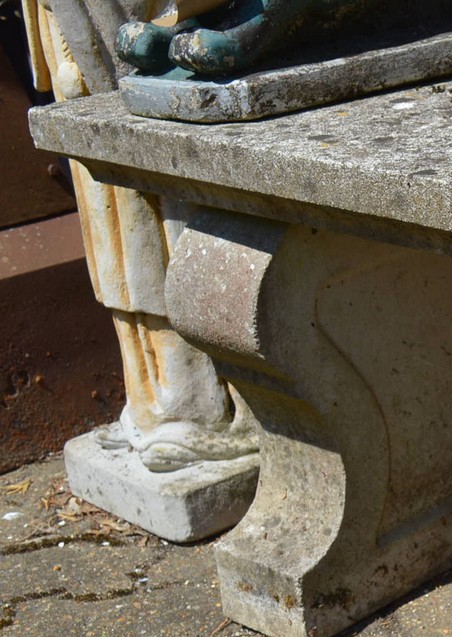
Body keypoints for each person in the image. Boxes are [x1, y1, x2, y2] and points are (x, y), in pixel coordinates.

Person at [19, 0, 256, 473]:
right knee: (117, 252)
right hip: (75, 54)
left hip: (140, 59)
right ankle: (148, 402)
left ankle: (198, 409)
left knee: (154, 234)